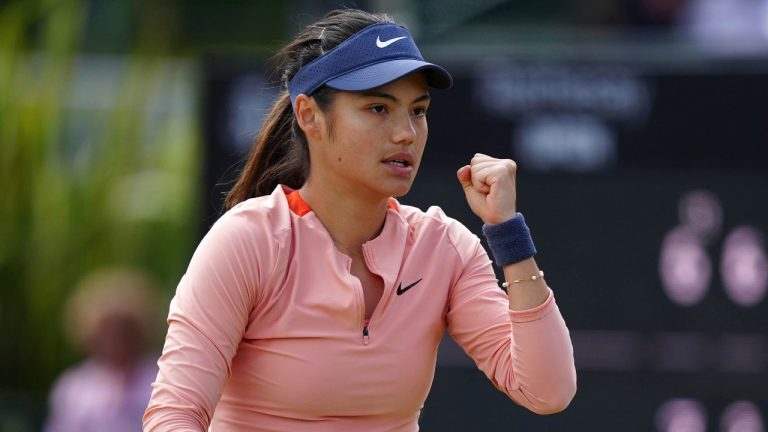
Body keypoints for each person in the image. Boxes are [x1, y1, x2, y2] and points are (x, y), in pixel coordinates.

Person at [144, 8, 576, 432]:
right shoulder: (248, 241)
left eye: (418, 110)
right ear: (308, 115)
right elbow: (173, 415)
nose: (406, 132)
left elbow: (547, 391)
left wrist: (507, 234)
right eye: (378, 108)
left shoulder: (443, 246)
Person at [45, 267, 161, 432]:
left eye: (125, 329)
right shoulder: (74, 387)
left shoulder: (163, 378)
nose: (116, 338)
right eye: (107, 330)